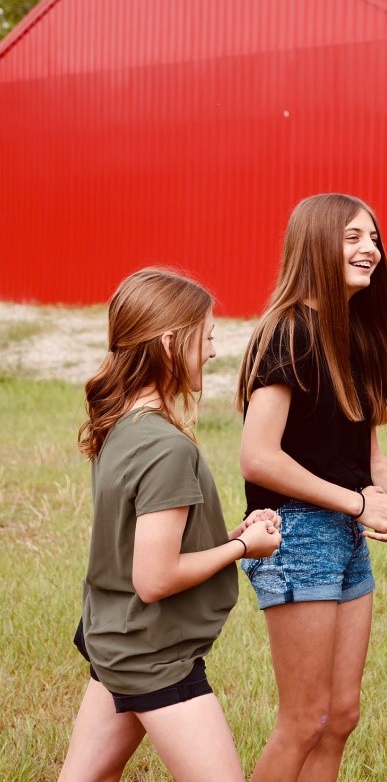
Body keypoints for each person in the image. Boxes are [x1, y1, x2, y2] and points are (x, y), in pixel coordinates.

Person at [59, 267, 282, 782]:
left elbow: (143, 545)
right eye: (206, 337)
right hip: (151, 654)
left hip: (113, 636)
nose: (212, 351)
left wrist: (223, 538)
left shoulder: (120, 425)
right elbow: (155, 578)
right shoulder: (166, 447)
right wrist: (244, 548)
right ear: (169, 342)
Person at [236, 193, 387, 781]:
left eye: (373, 239)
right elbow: (258, 457)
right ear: (314, 243)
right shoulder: (287, 331)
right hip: (293, 537)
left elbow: (364, 454)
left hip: (344, 534)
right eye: (352, 238)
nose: (370, 249)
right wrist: (357, 502)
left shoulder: (352, 337)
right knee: (305, 718)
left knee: (341, 715)